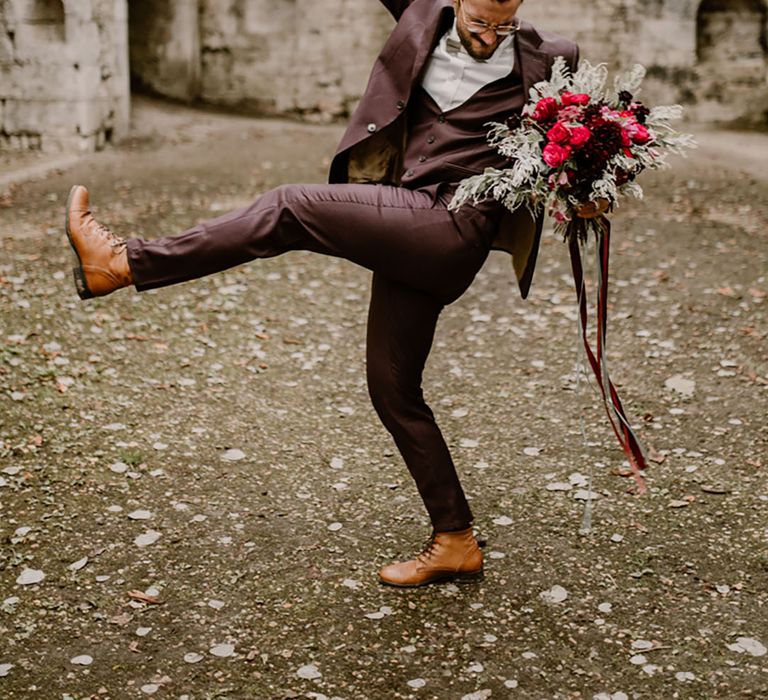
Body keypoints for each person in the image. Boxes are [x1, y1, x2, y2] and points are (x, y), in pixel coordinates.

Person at [65, 0, 606, 588]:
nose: (490, 37)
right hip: (404, 218)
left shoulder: (555, 58)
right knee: (392, 387)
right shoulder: (420, 14)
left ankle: (122, 263)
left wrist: (591, 191)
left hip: (454, 229)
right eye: (480, 23)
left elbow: (580, 156)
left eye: (504, 24)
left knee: (288, 208)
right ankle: (456, 539)